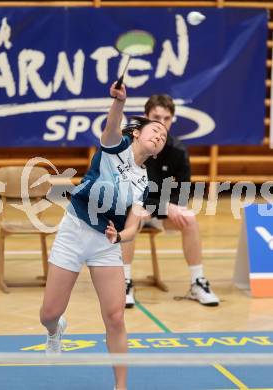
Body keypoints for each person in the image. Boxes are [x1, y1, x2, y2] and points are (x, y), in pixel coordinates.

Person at [39, 82, 167, 390]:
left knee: (115, 317)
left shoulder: (145, 181)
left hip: (105, 243)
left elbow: (134, 225)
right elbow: (112, 126)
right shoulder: (116, 146)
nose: (159, 136)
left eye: (163, 137)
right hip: (75, 230)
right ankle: (55, 331)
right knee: (49, 313)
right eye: (154, 130)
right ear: (137, 132)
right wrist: (119, 103)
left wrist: (119, 236)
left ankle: (120, 386)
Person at [122, 94, 220, 308]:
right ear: (146, 117)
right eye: (156, 117)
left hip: (160, 212)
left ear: (172, 120)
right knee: (133, 212)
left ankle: (197, 282)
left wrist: (168, 207)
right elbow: (127, 192)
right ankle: (125, 282)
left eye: (166, 118)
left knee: (190, 219)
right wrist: (160, 205)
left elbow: (182, 194)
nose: (161, 123)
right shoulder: (130, 147)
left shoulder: (178, 150)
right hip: (132, 211)